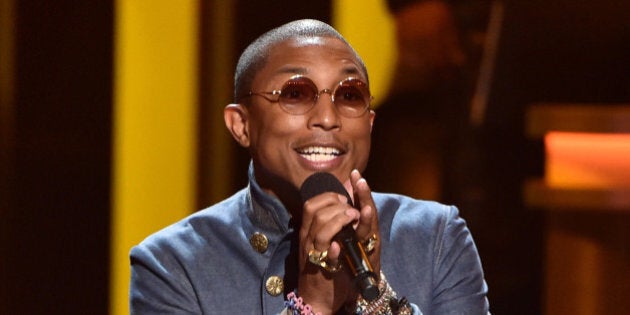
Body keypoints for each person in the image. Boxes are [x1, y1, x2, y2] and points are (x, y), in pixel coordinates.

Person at [129, 19, 489, 314]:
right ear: (241, 125)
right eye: (296, 93)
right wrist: (313, 305)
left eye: (349, 95)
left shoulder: (435, 237)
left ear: (371, 123)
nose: (328, 118)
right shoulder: (172, 265)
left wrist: (373, 296)